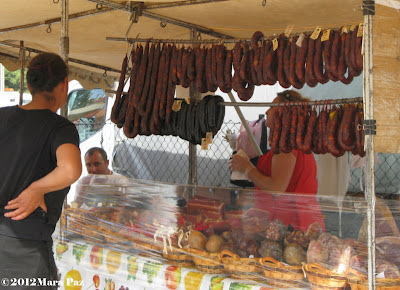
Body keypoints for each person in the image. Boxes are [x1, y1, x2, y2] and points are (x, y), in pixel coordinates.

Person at [0, 53, 82, 283]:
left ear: (28, 83)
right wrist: (36, 189)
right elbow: (70, 170)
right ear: (64, 84)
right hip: (24, 251)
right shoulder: (60, 128)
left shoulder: (2, 117)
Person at [230, 90, 325, 232]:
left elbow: (277, 188)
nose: (267, 112)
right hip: (299, 223)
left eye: (272, 107)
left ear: (284, 113)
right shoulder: (292, 142)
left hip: (291, 226)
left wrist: (247, 169)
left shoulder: (286, 145)